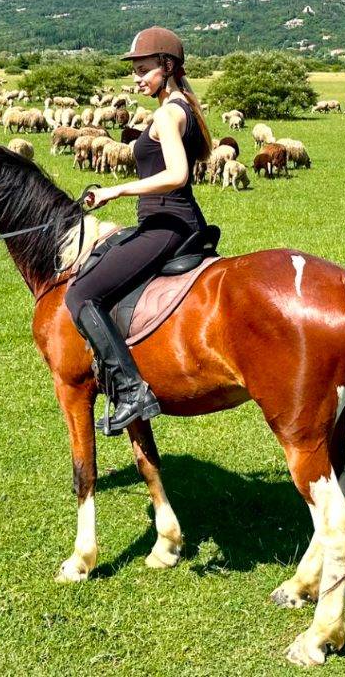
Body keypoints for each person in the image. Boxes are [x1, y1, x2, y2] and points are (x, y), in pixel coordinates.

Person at [66, 26, 214, 435]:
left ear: (167, 66)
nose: (136, 79)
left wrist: (117, 189)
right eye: (134, 71)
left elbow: (177, 175)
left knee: (81, 292)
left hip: (167, 224)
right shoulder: (179, 105)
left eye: (144, 69)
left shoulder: (169, 112)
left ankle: (131, 391)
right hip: (170, 220)